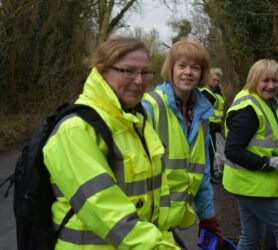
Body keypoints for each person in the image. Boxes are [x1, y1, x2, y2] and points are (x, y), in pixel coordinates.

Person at [43, 35, 177, 249]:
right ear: (102, 70)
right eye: (128, 71)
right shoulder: (76, 129)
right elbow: (106, 209)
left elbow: (156, 203)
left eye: (145, 72)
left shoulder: (136, 121)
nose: (139, 80)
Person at [142, 38, 224, 246]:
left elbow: (202, 170)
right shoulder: (150, 106)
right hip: (145, 221)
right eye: (182, 66)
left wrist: (207, 216)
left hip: (172, 220)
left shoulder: (201, 114)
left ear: (202, 73)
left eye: (195, 67)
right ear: (170, 69)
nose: (188, 72)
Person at [223, 59, 278, 250]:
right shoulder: (248, 109)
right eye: (266, 80)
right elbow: (232, 151)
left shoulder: (269, 102)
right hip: (253, 185)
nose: (271, 85)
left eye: (275, 81)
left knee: (251, 234)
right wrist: (267, 163)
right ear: (254, 80)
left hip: (249, 184)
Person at [200, 67, 225, 183]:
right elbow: (202, 110)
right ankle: (209, 175)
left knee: (212, 150)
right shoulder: (206, 92)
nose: (216, 82)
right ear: (208, 78)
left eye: (218, 80)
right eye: (214, 80)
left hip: (215, 125)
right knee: (209, 151)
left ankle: (209, 173)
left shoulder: (217, 91)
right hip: (207, 125)